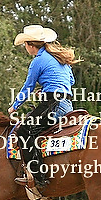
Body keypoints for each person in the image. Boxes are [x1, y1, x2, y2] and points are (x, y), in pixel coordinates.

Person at [8, 25, 80, 188]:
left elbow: (28, 87)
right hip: (67, 105)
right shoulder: (60, 58)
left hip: (52, 105)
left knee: (24, 131)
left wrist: (14, 107)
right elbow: (71, 81)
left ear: (30, 45)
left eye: (25, 44)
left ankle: (37, 177)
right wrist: (47, 88)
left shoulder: (38, 61)